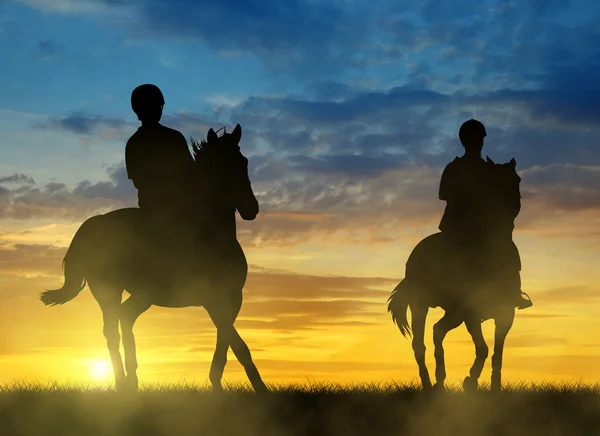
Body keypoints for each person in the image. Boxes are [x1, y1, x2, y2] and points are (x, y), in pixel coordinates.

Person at [438, 119, 532, 310]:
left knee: (508, 249)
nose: (478, 142)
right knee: (506, 250)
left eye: (480, 138)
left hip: (475, 225)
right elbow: (443, 195)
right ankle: (513, 293)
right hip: (461, 226)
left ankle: (512, 293)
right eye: (475, 139)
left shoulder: (491, 169)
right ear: (465, 141)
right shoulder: (454, 167)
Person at [125, 84, 196, 258]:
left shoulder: (133, 142)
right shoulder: (174, 137)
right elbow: (192, 174)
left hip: (159, 205)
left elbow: (136, 181)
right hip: (161, 208)